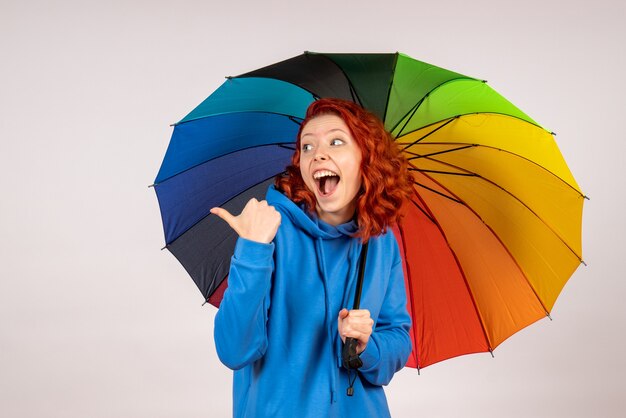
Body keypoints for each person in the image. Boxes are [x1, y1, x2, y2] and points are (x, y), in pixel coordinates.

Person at [211, 98, 414, 417]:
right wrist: (252, 249)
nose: (318, 153)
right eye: (307, 146)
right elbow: (235, 350)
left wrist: (366, 346)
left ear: (367, 160)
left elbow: (398, 338)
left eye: (336, 141)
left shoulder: (380, 240)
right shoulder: (269, 229)